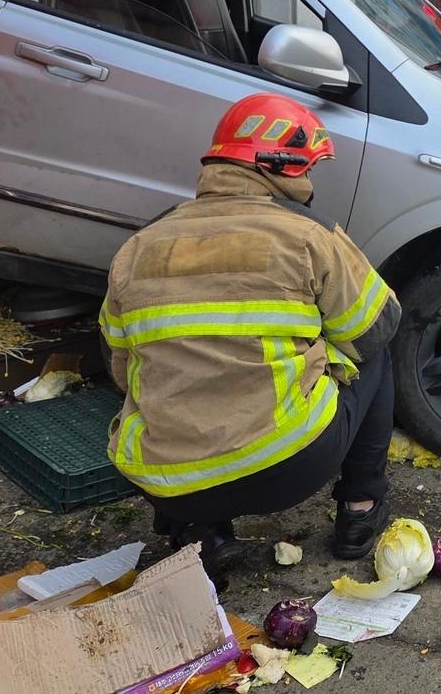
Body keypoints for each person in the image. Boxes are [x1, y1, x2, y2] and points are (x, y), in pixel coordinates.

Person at [101, 93, 401, 575]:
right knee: (378, 357)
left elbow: (120, 369)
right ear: (277, 167)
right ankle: (359, 513)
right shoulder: (308, 235)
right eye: (306, 169)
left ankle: (201, 533)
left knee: (156, 391)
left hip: (170, 482)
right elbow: (373, 330)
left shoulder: (139, 247)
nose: (308, 183)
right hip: (286, 465)